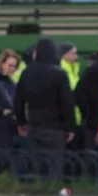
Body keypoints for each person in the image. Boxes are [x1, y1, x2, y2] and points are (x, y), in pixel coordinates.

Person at [15, 38, 76, 182]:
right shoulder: (59, 74)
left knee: (36, 161)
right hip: (55, 127)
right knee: (54, 161)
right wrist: (70, 127)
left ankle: (36, 187)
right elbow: (67, 103)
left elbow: (18, 100)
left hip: (34, 124)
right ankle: (52, 188)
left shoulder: (27, 72)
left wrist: (21, 121)